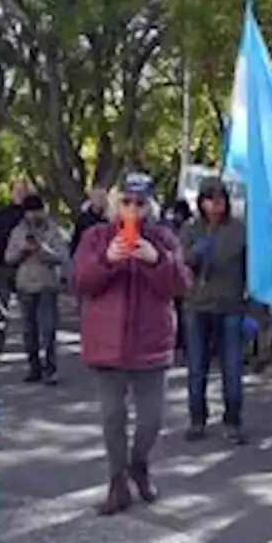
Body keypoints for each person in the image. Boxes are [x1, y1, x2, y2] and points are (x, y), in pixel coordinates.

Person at [72, 172, 190, 514]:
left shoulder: (164, 238)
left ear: (149, 207)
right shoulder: (95, 237)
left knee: (151, 420)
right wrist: (107, 259)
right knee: (112, 417)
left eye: (139, 204)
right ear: (114, 204)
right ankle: (117, 481)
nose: (132, 211)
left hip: (151, 345)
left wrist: (156, 260)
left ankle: (139, 462)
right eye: (126, 202)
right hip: (107, 345)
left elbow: (181, 285)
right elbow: (80, 281)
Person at [180, 177, 247, 444]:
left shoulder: (239, 230)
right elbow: (179, 261)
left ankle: (233, 421)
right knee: (197, 367)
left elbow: (250, 269)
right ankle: (197, 419)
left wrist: (254, 311)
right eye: (209, 199)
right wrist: (194, 254)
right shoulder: (191, 228)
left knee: (232, 368)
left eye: (219, 199)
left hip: (230, 305)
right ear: (201, 202)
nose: (215, 205)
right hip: (197, 306)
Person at [5, 194, 67, 384]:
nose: (33, 216)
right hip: (25, 285)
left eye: (36, 211)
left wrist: (42, 249)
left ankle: (51, 369)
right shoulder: (18, 231)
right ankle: (34, 368)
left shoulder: (54, 229)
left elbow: (61, 256)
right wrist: (23, 250)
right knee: (29, 330)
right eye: (29, 213)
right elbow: (9, 257)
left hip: (47, 284)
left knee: (48, 329)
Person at [0, 180, 32, 301]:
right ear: (11, 193)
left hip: (28, 267)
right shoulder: (1, 214)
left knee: (28, 307)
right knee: (1, 304)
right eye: (17, 191)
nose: (20, 194)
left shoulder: (33, 215)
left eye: (23, 191)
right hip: (4, 265)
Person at [71, 184, 108, 257]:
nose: (100, 200)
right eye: (98, 197)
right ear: (92, 199)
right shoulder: (85, 219)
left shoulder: (106, 219)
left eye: (103, 197)